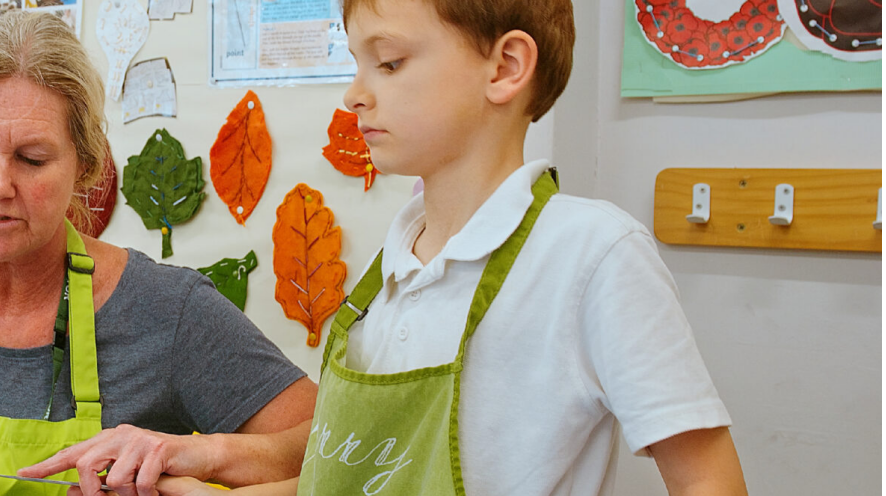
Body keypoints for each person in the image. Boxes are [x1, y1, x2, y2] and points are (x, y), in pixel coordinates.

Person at [154, 0, 750, 495]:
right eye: (357, 63)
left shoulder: (591, 254)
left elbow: (707, 479)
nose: (353, 95)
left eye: (388, 63)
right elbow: (350, 481)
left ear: (505, 68)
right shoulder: (383, 280)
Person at [0, 10, 317, 496]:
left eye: (32, 159)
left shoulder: (169, 310)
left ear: (87, 165)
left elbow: (331, 444)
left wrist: (201, 454)